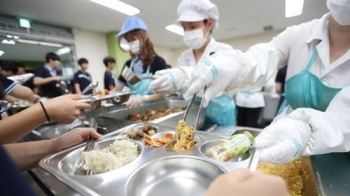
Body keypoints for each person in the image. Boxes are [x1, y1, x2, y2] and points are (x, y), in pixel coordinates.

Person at [182, 0, 350, 164]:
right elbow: (262, 57)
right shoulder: (300, 34)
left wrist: (309, 129)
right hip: (283, 138)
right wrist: (235, 63)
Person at [150, 0, 236, 126]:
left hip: (220, 115)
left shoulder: (224, 51)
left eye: (192, 26)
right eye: (184, 27)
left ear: (209, 23)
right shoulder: (184, 57)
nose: (187, 31)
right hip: (193, 116)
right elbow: (182, 91)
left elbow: (227, 85)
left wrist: (185, 79)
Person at [114, 16, 166, 108]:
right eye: (128, 41)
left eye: (133, 39)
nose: (131, 43)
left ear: (145, 36)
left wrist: (142, 98)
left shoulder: (158, 62)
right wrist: (105, 97)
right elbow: (117, 90)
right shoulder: (129, 65)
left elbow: (162, 95)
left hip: (155, 109)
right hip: (133, 109)